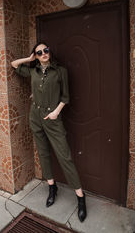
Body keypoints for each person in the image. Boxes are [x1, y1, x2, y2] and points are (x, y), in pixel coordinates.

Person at [11, 41, 87, 222]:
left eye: (46, 50)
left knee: (64, 156)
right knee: (43, 154)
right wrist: (29, 59)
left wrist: (56, 112)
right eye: (39, 52)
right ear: (35, 56)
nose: (44, 53)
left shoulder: (60, 71)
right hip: (35, 117)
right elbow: (14, 65)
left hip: (53, 118)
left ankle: (80, 197)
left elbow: (65, 97)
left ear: (50, 52)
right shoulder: (33, 71)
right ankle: (52, 187)